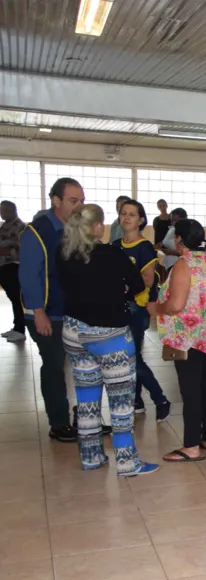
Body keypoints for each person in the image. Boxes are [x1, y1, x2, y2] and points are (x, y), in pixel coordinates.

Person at [57, 204, 158, 477]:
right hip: (109, 335)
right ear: (99, 227)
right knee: (121, 402)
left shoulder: (64, 253)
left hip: (74, 333)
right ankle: (127, 462)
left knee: (87, 399)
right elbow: (138, 286)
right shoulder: (112, 255)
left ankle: (91, 456)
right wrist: (119, 288)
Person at [154, 219, 206, 462]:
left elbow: (175, 305)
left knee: (191, 391)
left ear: (179, 240)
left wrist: (156, 308)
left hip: (187, 337)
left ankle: (191, 446)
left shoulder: (184, 264)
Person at [20, 177, 84, 443]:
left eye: (81, 200)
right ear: (56, 200)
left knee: (83, 364)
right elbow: (28, 275)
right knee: (55, 365)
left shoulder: (75, 229)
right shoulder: (37, 231)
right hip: (46, 312)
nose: (79, 206)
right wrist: (38, 312)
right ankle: (58, 422)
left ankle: (85, 417)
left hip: (71, 310)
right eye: (73, 200)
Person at [115, 199, 171, 422]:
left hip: (135, 308)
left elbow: (147, 280)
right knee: (129, 355)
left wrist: (122, 285)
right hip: (117, 307)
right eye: (123, 213)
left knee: (131, 358)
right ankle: (136, 400)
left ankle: (160, 399)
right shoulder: (116, 245)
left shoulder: (144, 247)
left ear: (141, 220)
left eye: (132, 214)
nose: (126, 217)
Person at [0, 200, 26, 343]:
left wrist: (4, 252)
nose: (1, 213)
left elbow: (21, 249)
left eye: (3, 210)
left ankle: (20, 329)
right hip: (3, 266)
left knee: (17, 298)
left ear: (12, 210)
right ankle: (16, 327)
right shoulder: (5, 226)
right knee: (12, 298)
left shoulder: (19, 227)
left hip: (13, 266)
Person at [157, 207, 187, 281]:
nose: (173, 222)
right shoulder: (172, 229)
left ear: (184, 218)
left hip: (179, 264)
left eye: (176, 220)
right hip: (168, 264)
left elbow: (188, 252)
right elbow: (163, 242)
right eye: (172, 220)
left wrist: (171, 252)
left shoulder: (186, 231)